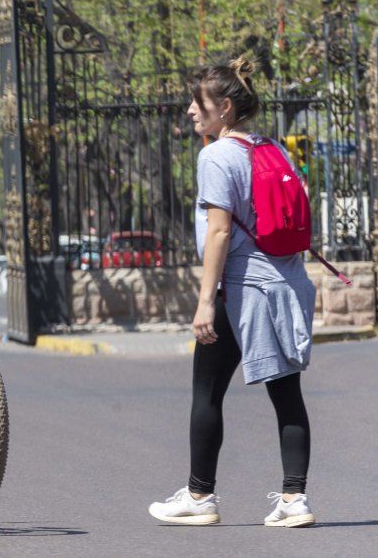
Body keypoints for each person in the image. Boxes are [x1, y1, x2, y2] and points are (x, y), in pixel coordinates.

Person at [148, 58, 316, 528]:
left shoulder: (216, 156)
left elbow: (219, 234)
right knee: (287, 394)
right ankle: (294, 500)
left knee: (206, 391)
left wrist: (205, 302)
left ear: (223, 107)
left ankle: (200, 497)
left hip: (241, 289)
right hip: (284, 283)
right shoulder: (272, 148)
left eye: (197, 103)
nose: (188, 111)